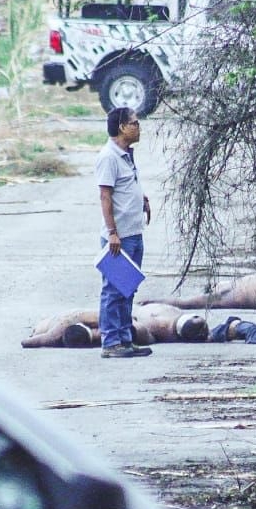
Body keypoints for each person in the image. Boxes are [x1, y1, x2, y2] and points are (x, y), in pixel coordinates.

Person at [95, 106, 153, 358]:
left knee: (127, 288)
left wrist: (143, 199)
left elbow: (125, 187)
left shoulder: (125, 155)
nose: (138, 127)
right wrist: (112, 233)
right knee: (113, 289)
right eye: (134, 123)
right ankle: (110, 342)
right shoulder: (108, 157)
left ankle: (125, 338)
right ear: (121, 127)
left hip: (133, 232)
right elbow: (105, 196)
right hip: (119, 237)